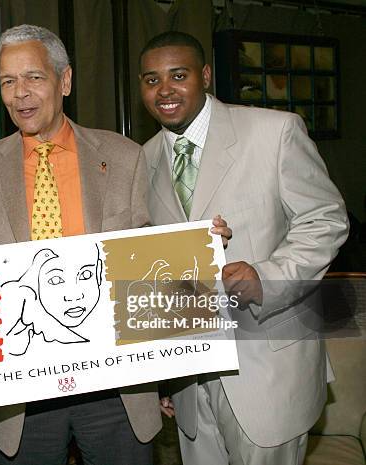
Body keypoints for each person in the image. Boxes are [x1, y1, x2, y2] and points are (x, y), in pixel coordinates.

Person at [0, 24, 164, 465]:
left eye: (33, 77)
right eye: (8, 81)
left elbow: (148, 258)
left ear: (64, 81)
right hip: (21, 395)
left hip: (115, 385)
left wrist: (198, 249)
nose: (19, 94)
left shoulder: (125, 156)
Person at [139, 31, 349, 465]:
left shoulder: (274, 131)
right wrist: (163, 372)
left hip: (267, 364)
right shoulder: (143, 160)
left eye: (178, 75)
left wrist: (267, 276)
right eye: (151, 79)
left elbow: (326, 219)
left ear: (206, 75)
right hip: (191, 381)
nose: (164, 91)